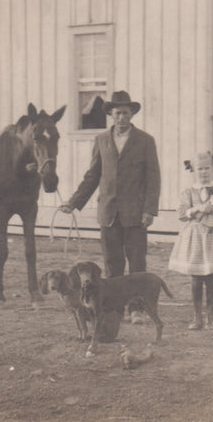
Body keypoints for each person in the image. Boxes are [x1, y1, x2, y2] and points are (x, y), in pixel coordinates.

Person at [60, 90, 161, 322]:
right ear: (111, 115)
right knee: (112, 263)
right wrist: (74, 202)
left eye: (126, 113)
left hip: (136, 213)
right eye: (117, 113)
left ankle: (136, 308)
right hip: (108, 213)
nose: (122, 118)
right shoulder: (101, 140)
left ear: (132, 114)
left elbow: (153, 178)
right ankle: (115, 308)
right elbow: (93, 176)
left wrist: (149, 210)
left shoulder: (145, 141)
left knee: (137, 261)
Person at [168, 151, 213, 330]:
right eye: (200, 169)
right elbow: (182, 213)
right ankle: (197, 317)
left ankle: (210, 317)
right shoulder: (189, 191)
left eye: (207, 168)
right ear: (193, 170)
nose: (204, 172)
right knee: (196, 278)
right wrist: (198, 209)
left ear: (212, 168)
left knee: (210, 277)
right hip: (195, 237)